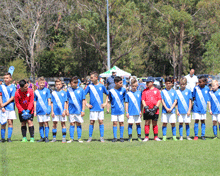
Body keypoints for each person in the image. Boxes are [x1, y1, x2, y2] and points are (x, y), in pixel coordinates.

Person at [85, 71, 108, 143]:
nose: (90, 79)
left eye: (92, 78)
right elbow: (83, 96)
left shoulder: (101, 86)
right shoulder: (89, 86)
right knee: (92, 122)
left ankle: (101, 137)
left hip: (100, 108)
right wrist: (86, 104)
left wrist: (105, 103)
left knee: (101, 122)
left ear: (96, 78)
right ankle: (90, 137)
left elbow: (108, 94)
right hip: (92, 108)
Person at [66, 76, 86, 143]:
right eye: (72, 83)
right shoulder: (69, 90)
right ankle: (71, 138)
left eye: (75, 82)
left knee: (78, 123)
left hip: (79, 111)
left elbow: (83, 100)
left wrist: (83, 110)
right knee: (72, 124)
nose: (73, 84)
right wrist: (66, 110)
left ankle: (79, 138)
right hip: (71, 111)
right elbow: (67, 101)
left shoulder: (81, 90)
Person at [141, 76, 161, 142]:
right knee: (147, 122)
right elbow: (143, 100)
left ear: (152, 82)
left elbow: (159, 100)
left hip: (155, 110)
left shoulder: (157, 90)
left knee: (154, 123)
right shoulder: (144, 91)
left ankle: (156, 136)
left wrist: (155, 107)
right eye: (146, 82)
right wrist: (145, 107)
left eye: (148, 82)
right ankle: (146, 137)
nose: (146, 83)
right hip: (147, 109)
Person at [108, 76, 126, 142]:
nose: (122, 84)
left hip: (121, 110)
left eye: (122, 83)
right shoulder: (111, 91)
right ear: (116, 83)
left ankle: (121, 137)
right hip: (114, 110)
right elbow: (109, 100)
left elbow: (125, 99)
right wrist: (108, 108)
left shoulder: (123, 90)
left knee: (121, 123)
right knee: (114, 123)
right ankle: (115, 137)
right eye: (120, 83)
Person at [192, 76, 210, 140]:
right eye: (198, 82)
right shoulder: (196, 88)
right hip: (196, 108)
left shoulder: (207, 89)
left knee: (203, 121)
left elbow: (208, 98)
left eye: (200, 82)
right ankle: (196, 135)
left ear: (204, 82)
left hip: (203, 108)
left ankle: (203, 135)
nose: (199, 83)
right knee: (196, 120)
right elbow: (193, 97)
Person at [0, 73, 16, 142]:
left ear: (10, 79)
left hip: (11, 107)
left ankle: (9, 138)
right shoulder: (1, 86)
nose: (5, 79)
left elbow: (12, 98)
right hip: (3, 108)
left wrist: (4, 104)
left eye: (7, 78)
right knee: (3, 123)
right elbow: (0, 96)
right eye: (4, 78)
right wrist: (1, 105)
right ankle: (2, 138)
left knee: (10, 122)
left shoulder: (13, 87)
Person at [34, 77, 51, 143]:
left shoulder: (47, 90)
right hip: (39, 110)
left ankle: (46, 137)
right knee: (40, 123)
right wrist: (35, 110)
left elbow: (49, 99)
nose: (42, 84)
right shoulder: (36, 92)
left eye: (43, 83)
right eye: (41, 83)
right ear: (38, 83)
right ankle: (42, 137)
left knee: (46, 123)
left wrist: (49, 108)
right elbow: (35, 101)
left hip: (45, 110)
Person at [161, 77, 178, 141]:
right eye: (167, 83)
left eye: (169, 83)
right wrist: (166, 108)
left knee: (173, 123)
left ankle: (174, 136)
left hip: (172, 111)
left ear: (172, 84)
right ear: (165, 83)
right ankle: (164, 136)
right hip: (164, 111)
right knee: (164, 123)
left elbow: (175, 101)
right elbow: (162, 101)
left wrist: (171, 108)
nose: (168, 85)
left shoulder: (174, 91)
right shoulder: (163, 91)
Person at [51, 79, 68, 143]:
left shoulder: (64, 92)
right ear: (55, 85)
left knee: (63, 124)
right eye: (57, 84)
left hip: (62, 111)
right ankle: (54, 138)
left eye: (59, 84)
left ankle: (64, 138)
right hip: (55, 111)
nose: (58, 86)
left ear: (61, 85)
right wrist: (52, 111)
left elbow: (66, 102)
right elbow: (52, 103)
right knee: (54, 124)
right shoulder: (53, 93)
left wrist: (65, 110)